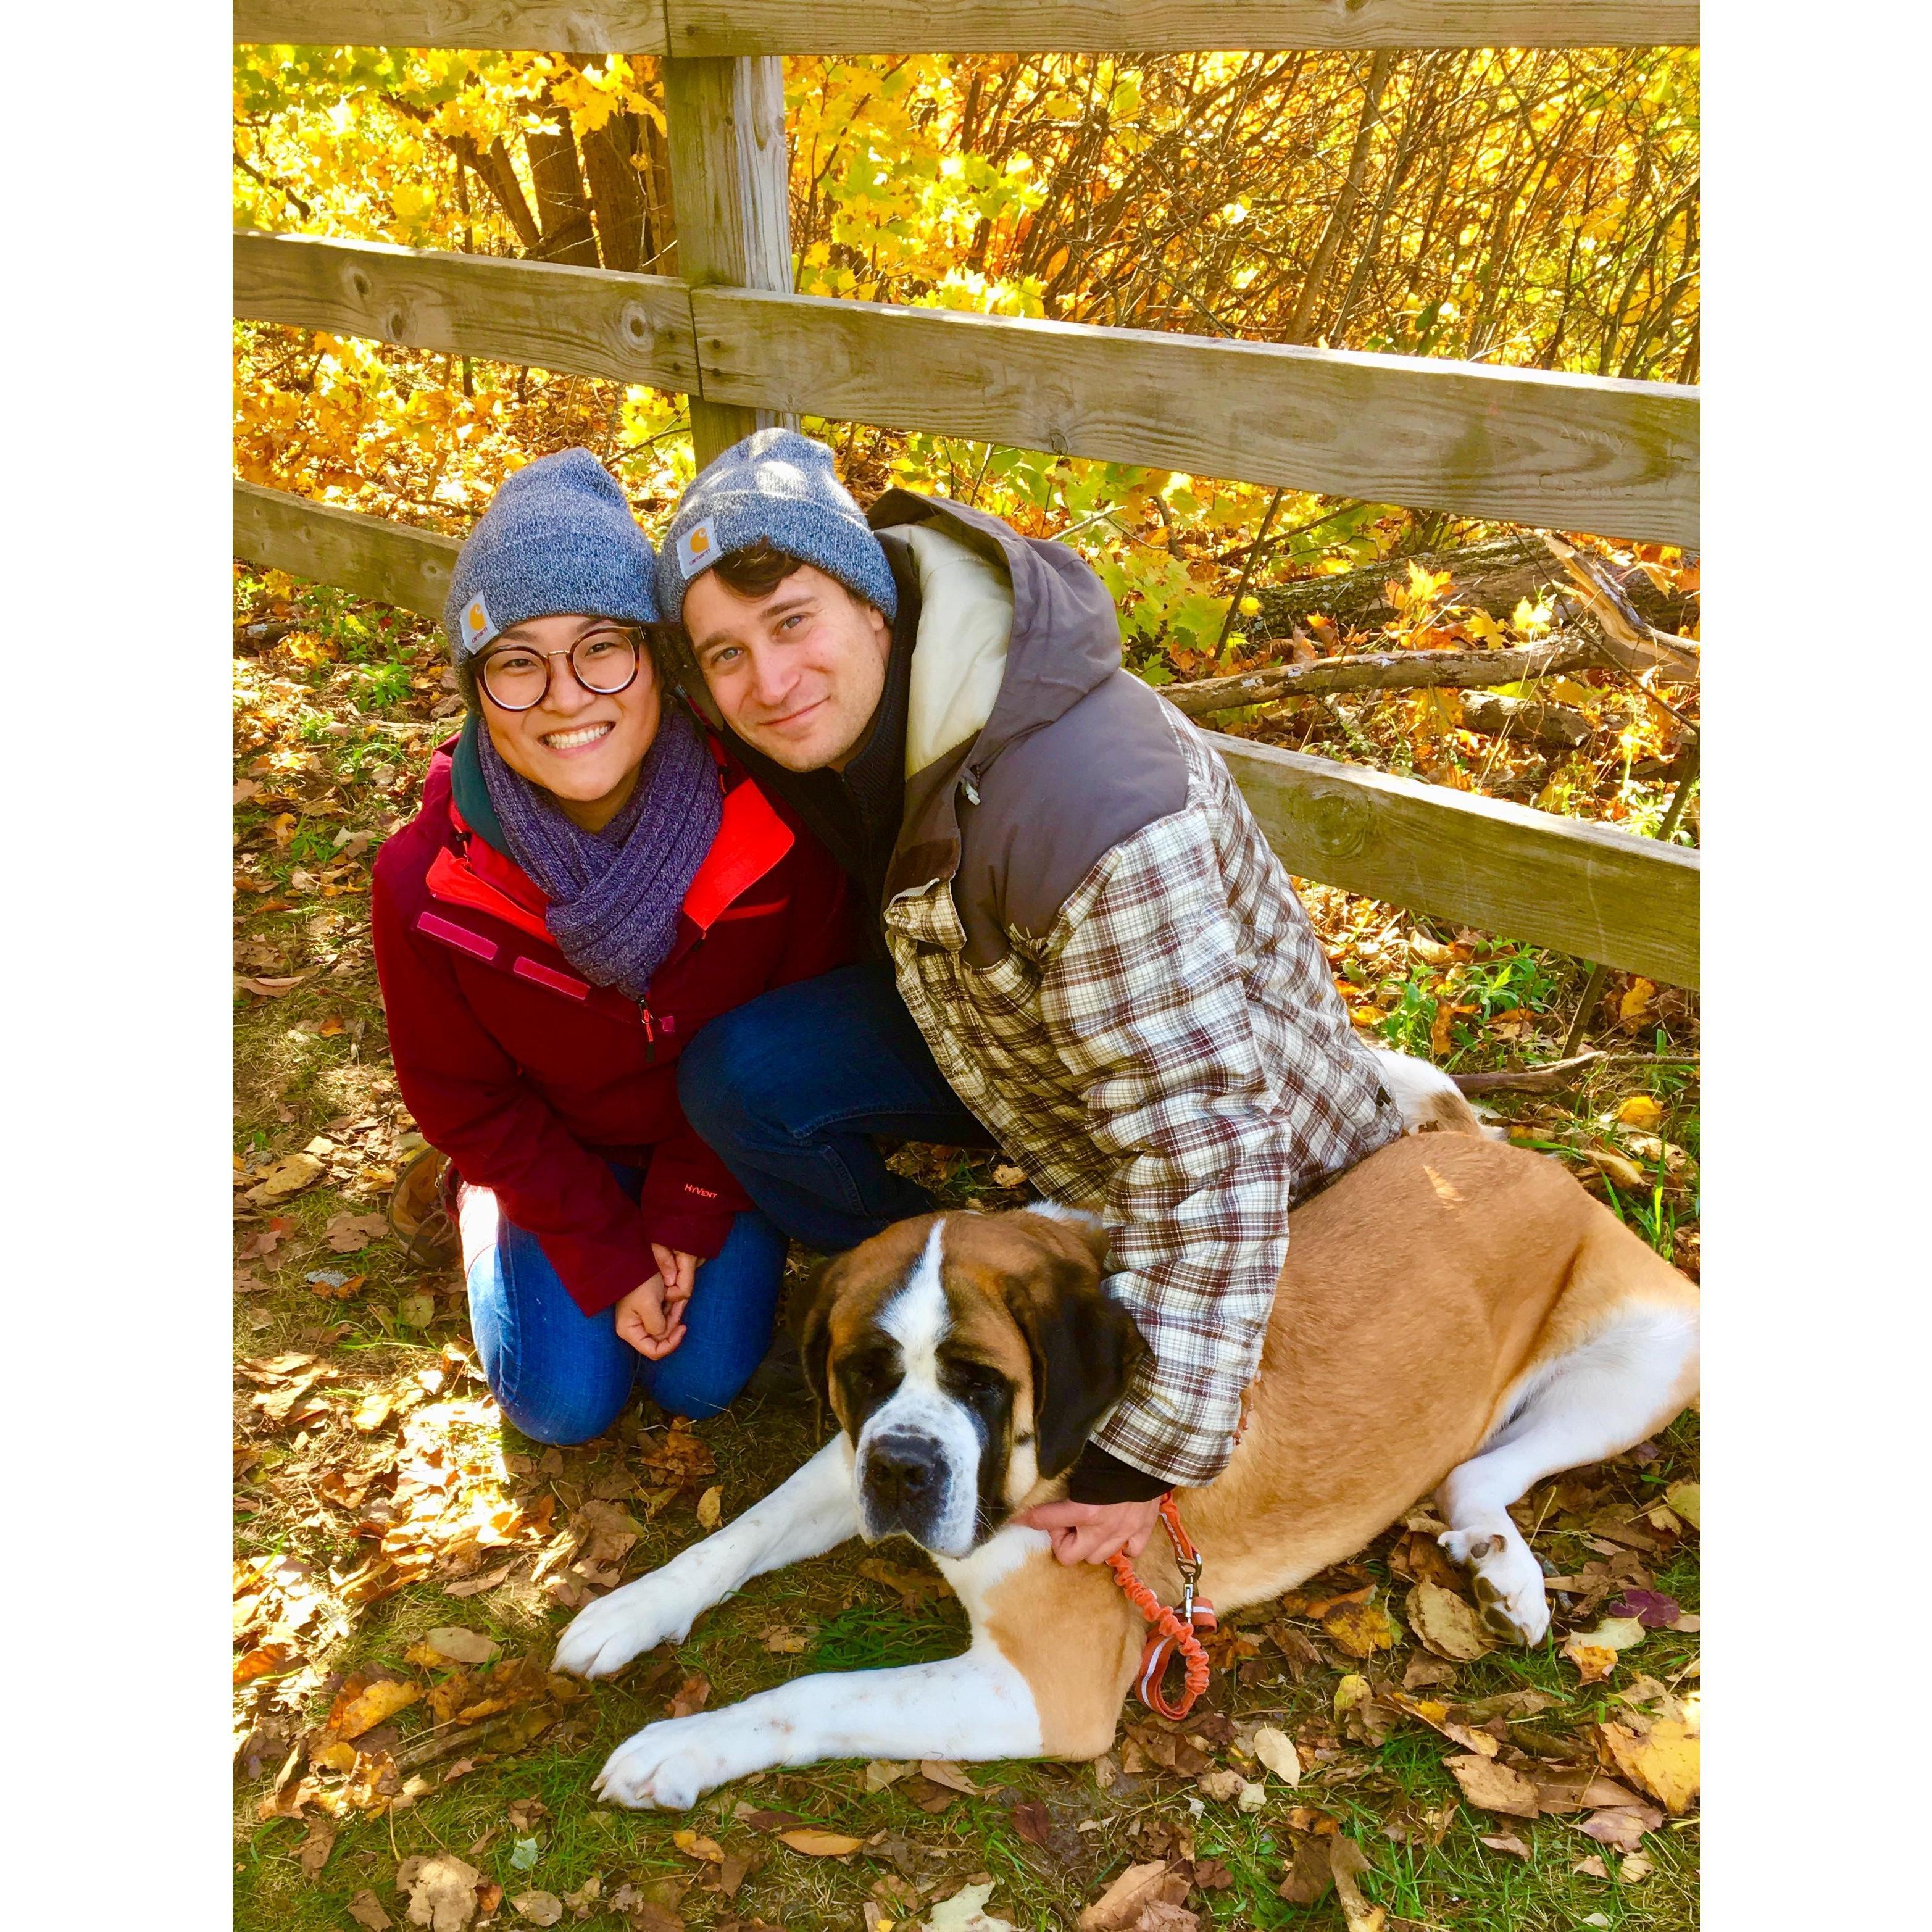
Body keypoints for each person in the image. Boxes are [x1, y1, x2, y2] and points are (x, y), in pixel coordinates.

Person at [659, 429, 1405, 1565]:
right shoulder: (840, 726)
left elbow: (1206, 1139)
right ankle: (911, 1335)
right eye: (724, 653)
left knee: (1188, 1161)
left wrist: (1141, 1454)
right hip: (1020, 1049)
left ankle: (991, 1350)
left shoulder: (1089, 810)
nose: (768, 680)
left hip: (1266, 1156)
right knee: (742, 1079)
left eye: (792, 621)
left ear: (876, 605)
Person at [371, 449, 851, 1444]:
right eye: (516, 660)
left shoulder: (773, 820)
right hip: (551, 1153)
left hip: (718, 1138)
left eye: (601, 647)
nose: (565, 694)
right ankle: (475, 1211)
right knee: (563, 1406)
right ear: (476, 687)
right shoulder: (426, 882)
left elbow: (794, 1038)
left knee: (703, 1382)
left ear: (655, 656)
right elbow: (461, 1092)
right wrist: (600, 1244)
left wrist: (688, 1201)